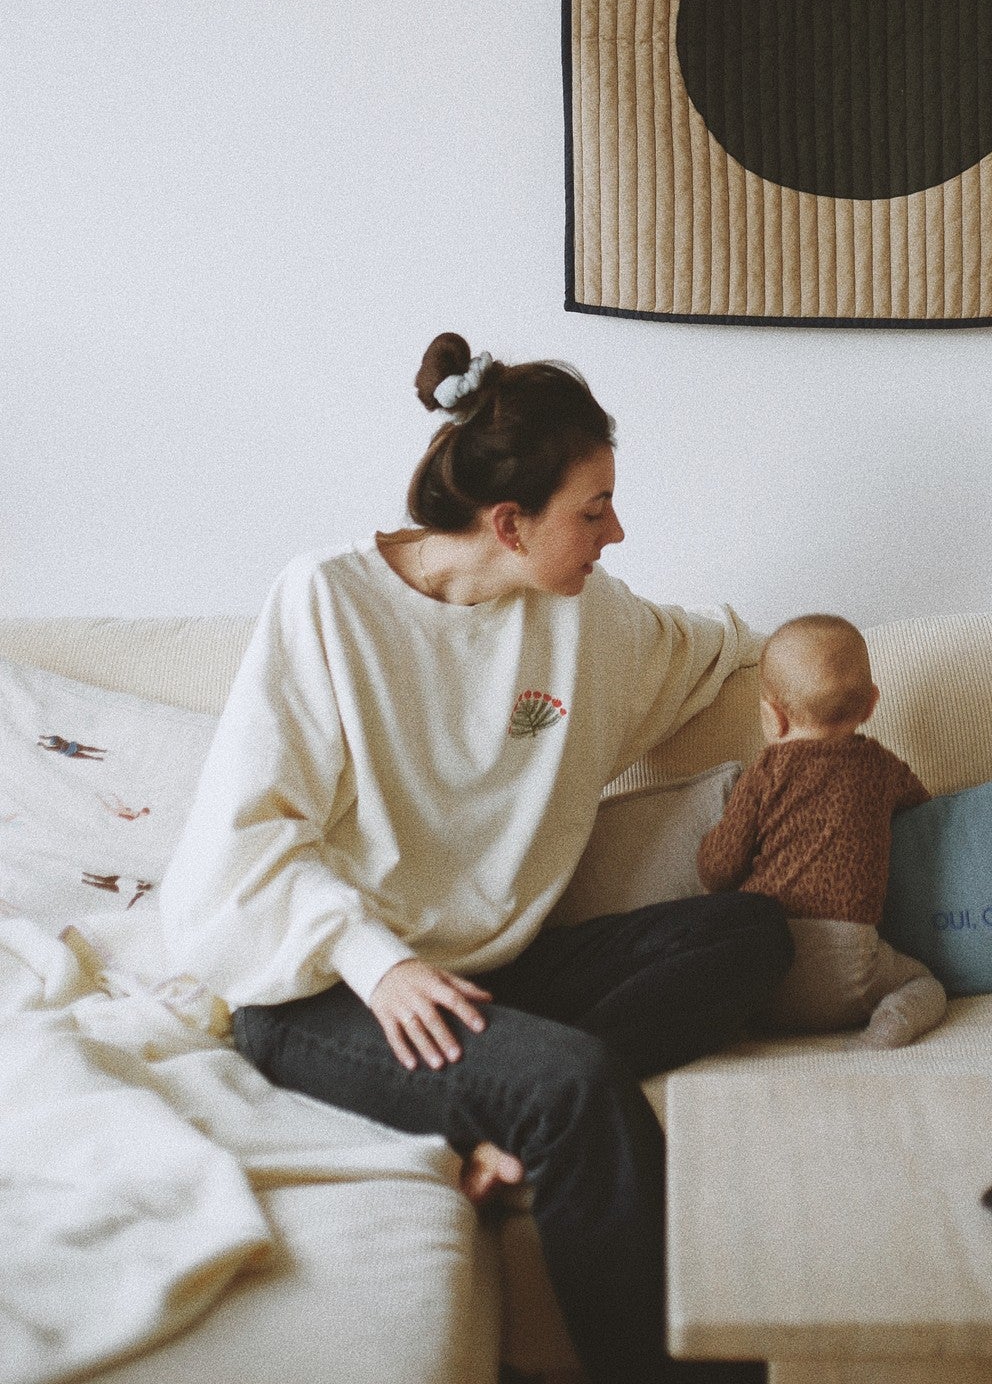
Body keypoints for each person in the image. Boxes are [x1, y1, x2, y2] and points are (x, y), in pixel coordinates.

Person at [162, 333, 793, 1384]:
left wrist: (811, 677)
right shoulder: (328, 600)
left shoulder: (592, 617)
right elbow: (248, 840)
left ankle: (498, 1097)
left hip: (488, 979)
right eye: (593, 509)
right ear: (510, 521)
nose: (616, 529)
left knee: (752, 930)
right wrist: (375, 957)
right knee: (577, 1084)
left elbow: (718, 641)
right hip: (328, 991)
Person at [696, 613, 946, 1049]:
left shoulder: (766, 772)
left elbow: (719, 870)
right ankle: (891, 1023)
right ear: (871, 705)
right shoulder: (881, 767)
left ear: (772, 717)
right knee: (929, 984)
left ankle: (735, 1025)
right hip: (851, 972)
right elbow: (923, 810)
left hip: (765, 968)